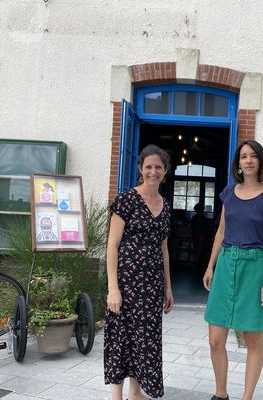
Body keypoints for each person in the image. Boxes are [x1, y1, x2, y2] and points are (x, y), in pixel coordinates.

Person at [203, 139, 263, 400]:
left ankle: (246, 397)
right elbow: (221, 231)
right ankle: (220, 394)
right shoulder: (228, 192)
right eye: (243, 156)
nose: (248, 160)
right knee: (215, 339)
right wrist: (210, 265)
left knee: (252, 340)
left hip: (254, 267)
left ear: (260, 161)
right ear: (237, 163)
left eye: (253, 156)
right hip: (226, 264)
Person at [104, 144, 174, 400]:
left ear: (165, 171)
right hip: (126, 282)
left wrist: (168, 287)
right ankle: (116, 396)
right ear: (140, 169)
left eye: (158, 167)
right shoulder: (127, 199)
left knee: (145, 340)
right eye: (148, 167)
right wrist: (113, 288)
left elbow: (164, 249)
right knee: (121, 336)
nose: (153, 171)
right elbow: (111, 245)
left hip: (152, 285)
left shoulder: (166, 205)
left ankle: (136, 393)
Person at [190, 202, 209, 269]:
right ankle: (196, 264)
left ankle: (196, 264)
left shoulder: (194, 217)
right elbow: (206, 228)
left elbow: (192, 226)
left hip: (195, 235)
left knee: (196, 250)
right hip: (201, 235)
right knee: (200, 250)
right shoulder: (203, 218)